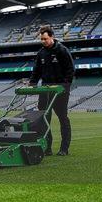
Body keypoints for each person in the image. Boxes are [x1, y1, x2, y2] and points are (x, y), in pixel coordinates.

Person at [29, 25, 75, 156]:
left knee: (63, 118)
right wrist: (32, 82)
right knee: (43, 119)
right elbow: (36, 70)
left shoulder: (62, 50)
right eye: (41, 39)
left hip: (60, 91)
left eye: (45, 39)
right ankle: (47, 147)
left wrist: (65, 86)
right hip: (45, 90)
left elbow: (70, 70)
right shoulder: (41, 53)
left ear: (52, 37)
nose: (43, 41)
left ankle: (64, 148)